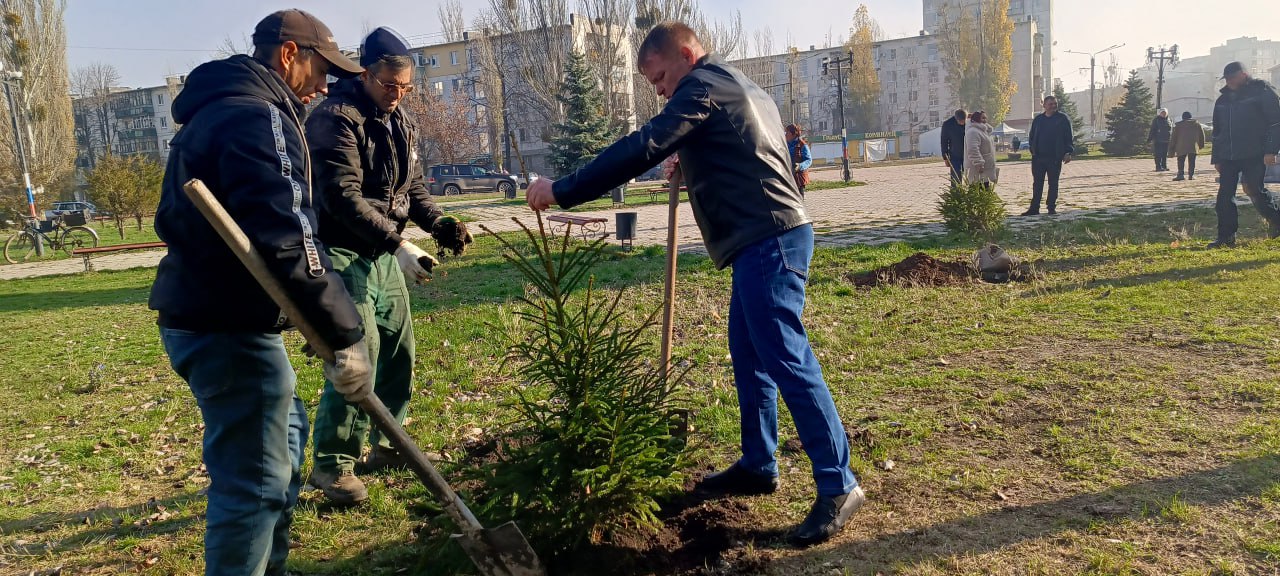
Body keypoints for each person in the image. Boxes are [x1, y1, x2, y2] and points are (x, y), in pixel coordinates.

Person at [525, 21, 863, 548]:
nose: (660, 91)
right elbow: (743, 147)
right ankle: (758, 463)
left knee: (786, 357)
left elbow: (644, 145)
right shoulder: (736, 85)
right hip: (764, 238)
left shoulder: (701, 88)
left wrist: (562, 189)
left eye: (659, 78)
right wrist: (697, 153)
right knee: (749, 353)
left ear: (684, 54)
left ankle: (839, 486)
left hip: (769, 239)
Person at [148, 10, 368, 575]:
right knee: (255, 482)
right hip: (225, 329)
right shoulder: (256, 116)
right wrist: (344, 333)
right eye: (321, 69)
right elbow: (291, 235)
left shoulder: (223, 109)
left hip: (213, 317)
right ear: (289, 54)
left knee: (286, 444)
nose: (325, 86)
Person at [304, 27, 472, 503]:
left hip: (382, 249)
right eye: (389, 87)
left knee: (399, 350)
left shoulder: (400, 121)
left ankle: (389, 444)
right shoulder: (335, 119)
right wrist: (399, 245)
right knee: (360, 351)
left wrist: (438, 222)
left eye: (406, 88)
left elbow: (409, 188)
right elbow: (342, 198)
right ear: (366, 73)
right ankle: (334, 464)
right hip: (342, 248)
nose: (397, 96)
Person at [1209, 61, 1280, 248]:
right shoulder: (1223, 100)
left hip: (1254, 153)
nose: (1229, 81)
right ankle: (1226, 237)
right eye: (1227, 79)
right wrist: (1216, 158)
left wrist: (1271, 150)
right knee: (1224, 196)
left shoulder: (1262, 92)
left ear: (1243, 74)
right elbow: (1217, 131)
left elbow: (1275, 123)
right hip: (1228, 156)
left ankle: (1277, 221)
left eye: (1233, 77)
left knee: (1254, 190)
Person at [1025, 95, 1074, 216]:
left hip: (1054, 157)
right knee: (1037, 183)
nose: (1053, 106)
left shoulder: (1062, 119)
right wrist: (1032, 148)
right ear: (1044, 105)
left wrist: (1068, 152)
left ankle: (1051, 207)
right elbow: (1032, 136)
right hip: (1038, 157)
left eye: (1055, 104)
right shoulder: (1038, 120)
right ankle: (1034, 208)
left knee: (1053, 183)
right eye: (1050, 104)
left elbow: (1069, 137)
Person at [964, 110, 997, 188]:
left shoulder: (983, 131)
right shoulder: (973, 132)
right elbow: (973, 149)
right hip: (978, 168)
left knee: (985, 188)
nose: (985, 120)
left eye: (986, 118)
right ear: (976, 118)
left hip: (986, 166)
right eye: (983, 118)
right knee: (978, 189)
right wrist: (978, 163)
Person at [1169, 111, 1205, 181]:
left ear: (1182, 117)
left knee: (1181, 160)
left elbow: (1174, 137)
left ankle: (1180, 174)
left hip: (1181, 145)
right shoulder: (1196, 124)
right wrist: (1201, 145)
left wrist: (1172, 147)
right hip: (1193, 145)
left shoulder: (1178, 126)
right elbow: (1201, 135)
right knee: (1192, 161)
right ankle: (1191, 175)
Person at [941, 108, 967, 182]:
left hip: (968, 154)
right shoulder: (947, 124)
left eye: (964, 121)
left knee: (971, 177)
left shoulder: (969, 123)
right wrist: (945, 158)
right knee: (956, 178)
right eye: (960, 121)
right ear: (956, 119)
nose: (962, 123)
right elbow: (944, 142)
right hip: (955, 155)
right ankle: (957, 192)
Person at [786, 124, 812, 194]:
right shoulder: (784, 144)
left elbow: (809, 160)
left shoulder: (802, 145)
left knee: (799, 200)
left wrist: (800, 166)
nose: (785, 134)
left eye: (787, 132)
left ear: (793, 134)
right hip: (787, 177)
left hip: (798, 179)